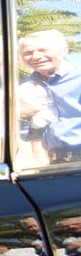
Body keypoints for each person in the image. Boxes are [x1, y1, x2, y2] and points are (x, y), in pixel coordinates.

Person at [18, 29, 81, 164]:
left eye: (43, 50)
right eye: (28, 53)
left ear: (64, 51)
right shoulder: (25, 88)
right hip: (55, 163)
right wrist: (22, 114)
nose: (35, 56)